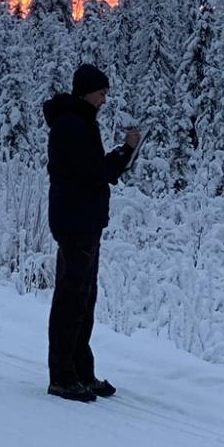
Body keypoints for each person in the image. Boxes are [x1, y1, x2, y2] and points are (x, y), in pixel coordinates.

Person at [42, 63, 141, 402]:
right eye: (101, 93)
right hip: (75, 223)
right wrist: (125, 152)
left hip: (83, 222)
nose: (104, 100)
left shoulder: (80, 122)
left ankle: (81, 372)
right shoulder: (72, 125)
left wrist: (121, 156)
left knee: (83, 299)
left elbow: (93, 171)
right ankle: (63, 377)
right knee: (72, 300)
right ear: (86, 92)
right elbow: (94, 173)